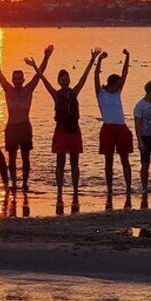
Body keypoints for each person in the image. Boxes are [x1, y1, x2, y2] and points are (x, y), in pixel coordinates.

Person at [29, 47, 101, 207]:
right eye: (62, 79)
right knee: (60, 162)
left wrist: (92, 60)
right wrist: (36, 66)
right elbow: (43, 79)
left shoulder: (74, 92)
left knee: (75, 162)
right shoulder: (56, 95)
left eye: (66, 78)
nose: (65, 81)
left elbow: (84, 77)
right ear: (59, 82)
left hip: (74, 131)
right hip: (61, 131)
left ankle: (75, 191)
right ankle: (60, 192)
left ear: (69, 80)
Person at [0, 44, 54, 192]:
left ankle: (25, 183)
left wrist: (46, 57)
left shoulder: (28, 89)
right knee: (11, 158)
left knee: (26, 158)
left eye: (20, 78)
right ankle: (13, 183)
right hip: (11, 127)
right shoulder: (8, 90)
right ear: (12, 79)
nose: (17, 80)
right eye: (15, 78)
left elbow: (39, 74)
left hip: (24, 126)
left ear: (23, 80)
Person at [94, 49, 133, 203]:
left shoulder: (117, 93)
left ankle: (128, 188)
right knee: (108, 161)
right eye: (117, 84)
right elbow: (96, 77)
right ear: (111, 83)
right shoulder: (101, 94)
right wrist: (100, 59)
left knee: (125, 159)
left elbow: (125, 75)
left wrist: (127, 57)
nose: (120, 85)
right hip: (108, 128)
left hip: (121, 127)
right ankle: (109, 190)